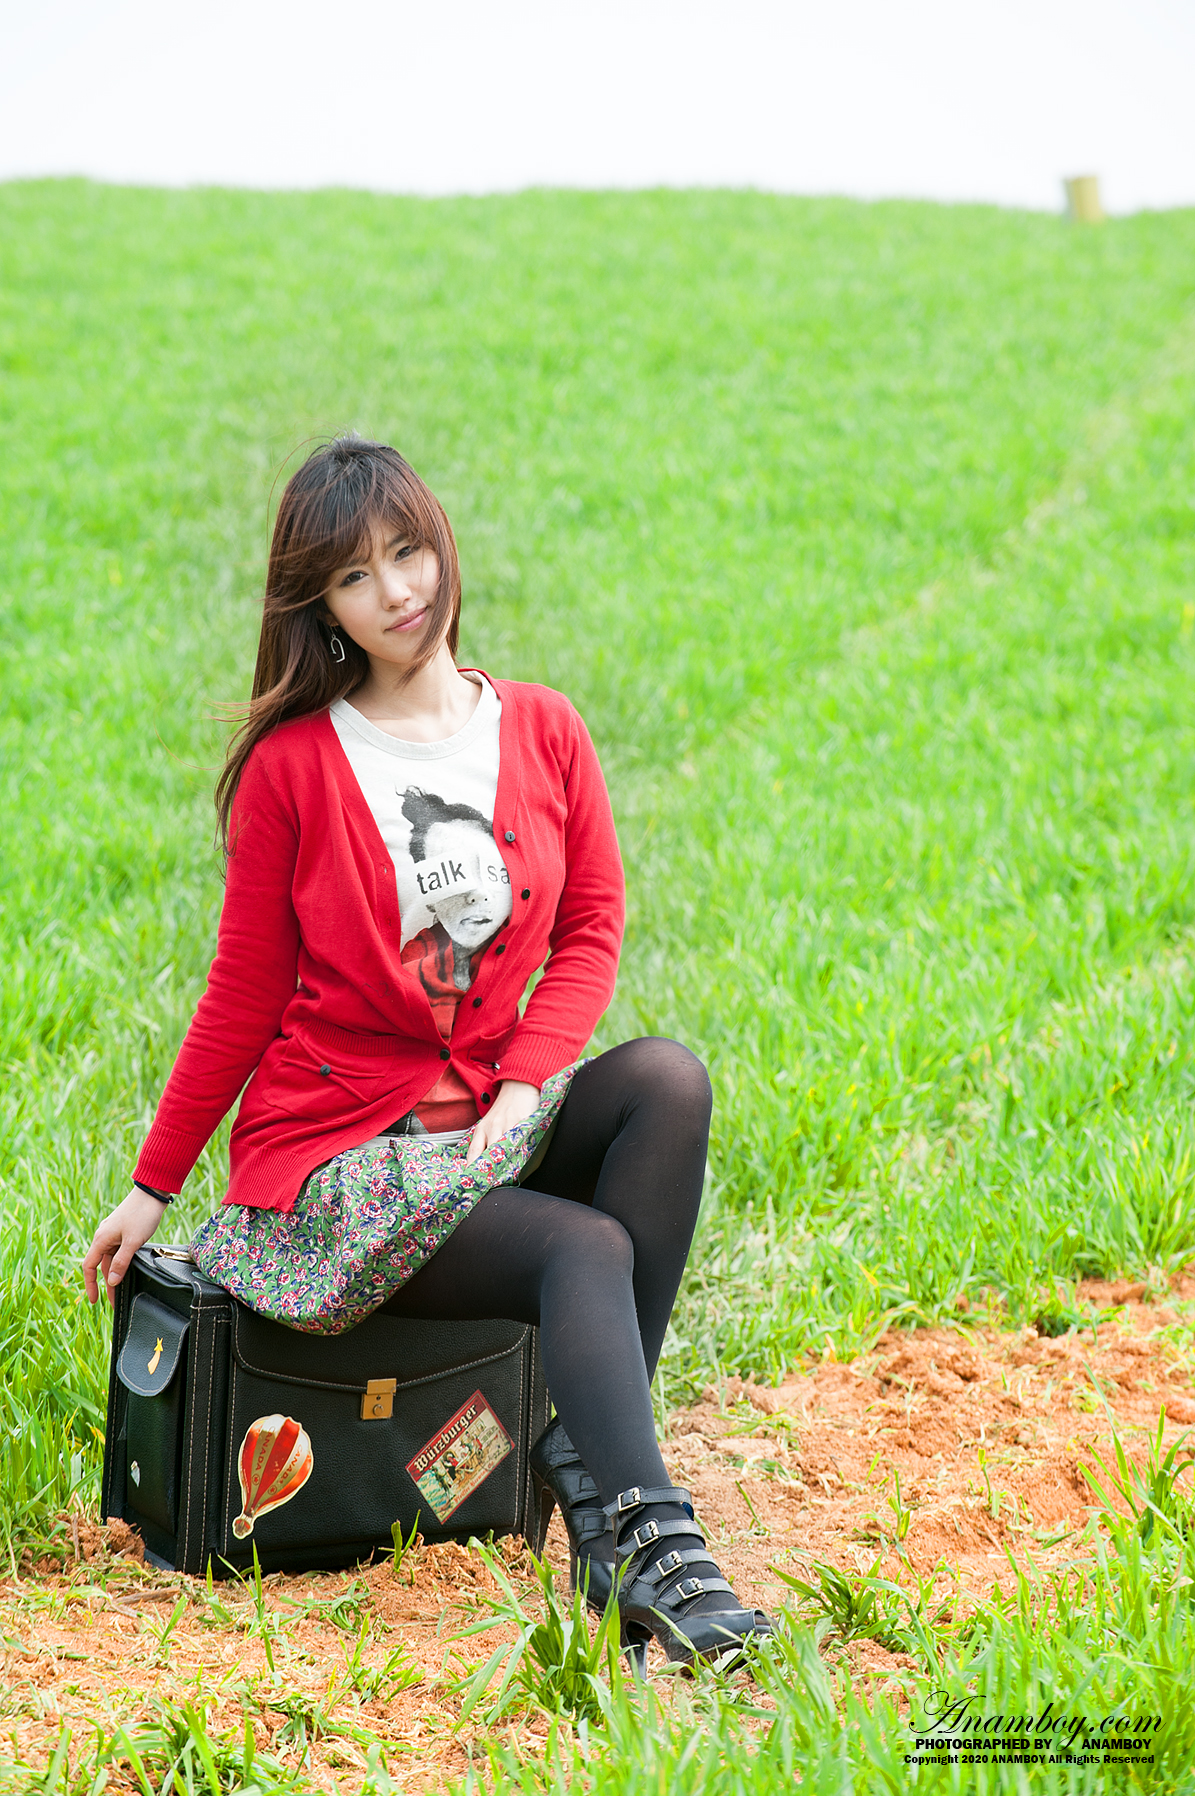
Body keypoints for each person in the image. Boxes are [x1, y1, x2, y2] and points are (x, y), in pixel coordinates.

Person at [81, 436, 771, 1668]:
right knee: (584, 1244)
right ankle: (653, 1544)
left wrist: (523, 1085)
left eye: (407, 551)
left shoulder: (544, 728)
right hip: (344, 1162)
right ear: (321, 609)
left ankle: (593, 1485)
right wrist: (153, 1183)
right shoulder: (297, 767)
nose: (398, 590)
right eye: (356, 576)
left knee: (666, 1080)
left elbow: (592, 925)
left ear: (441, 539)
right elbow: (243, 992)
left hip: (483, 1126)